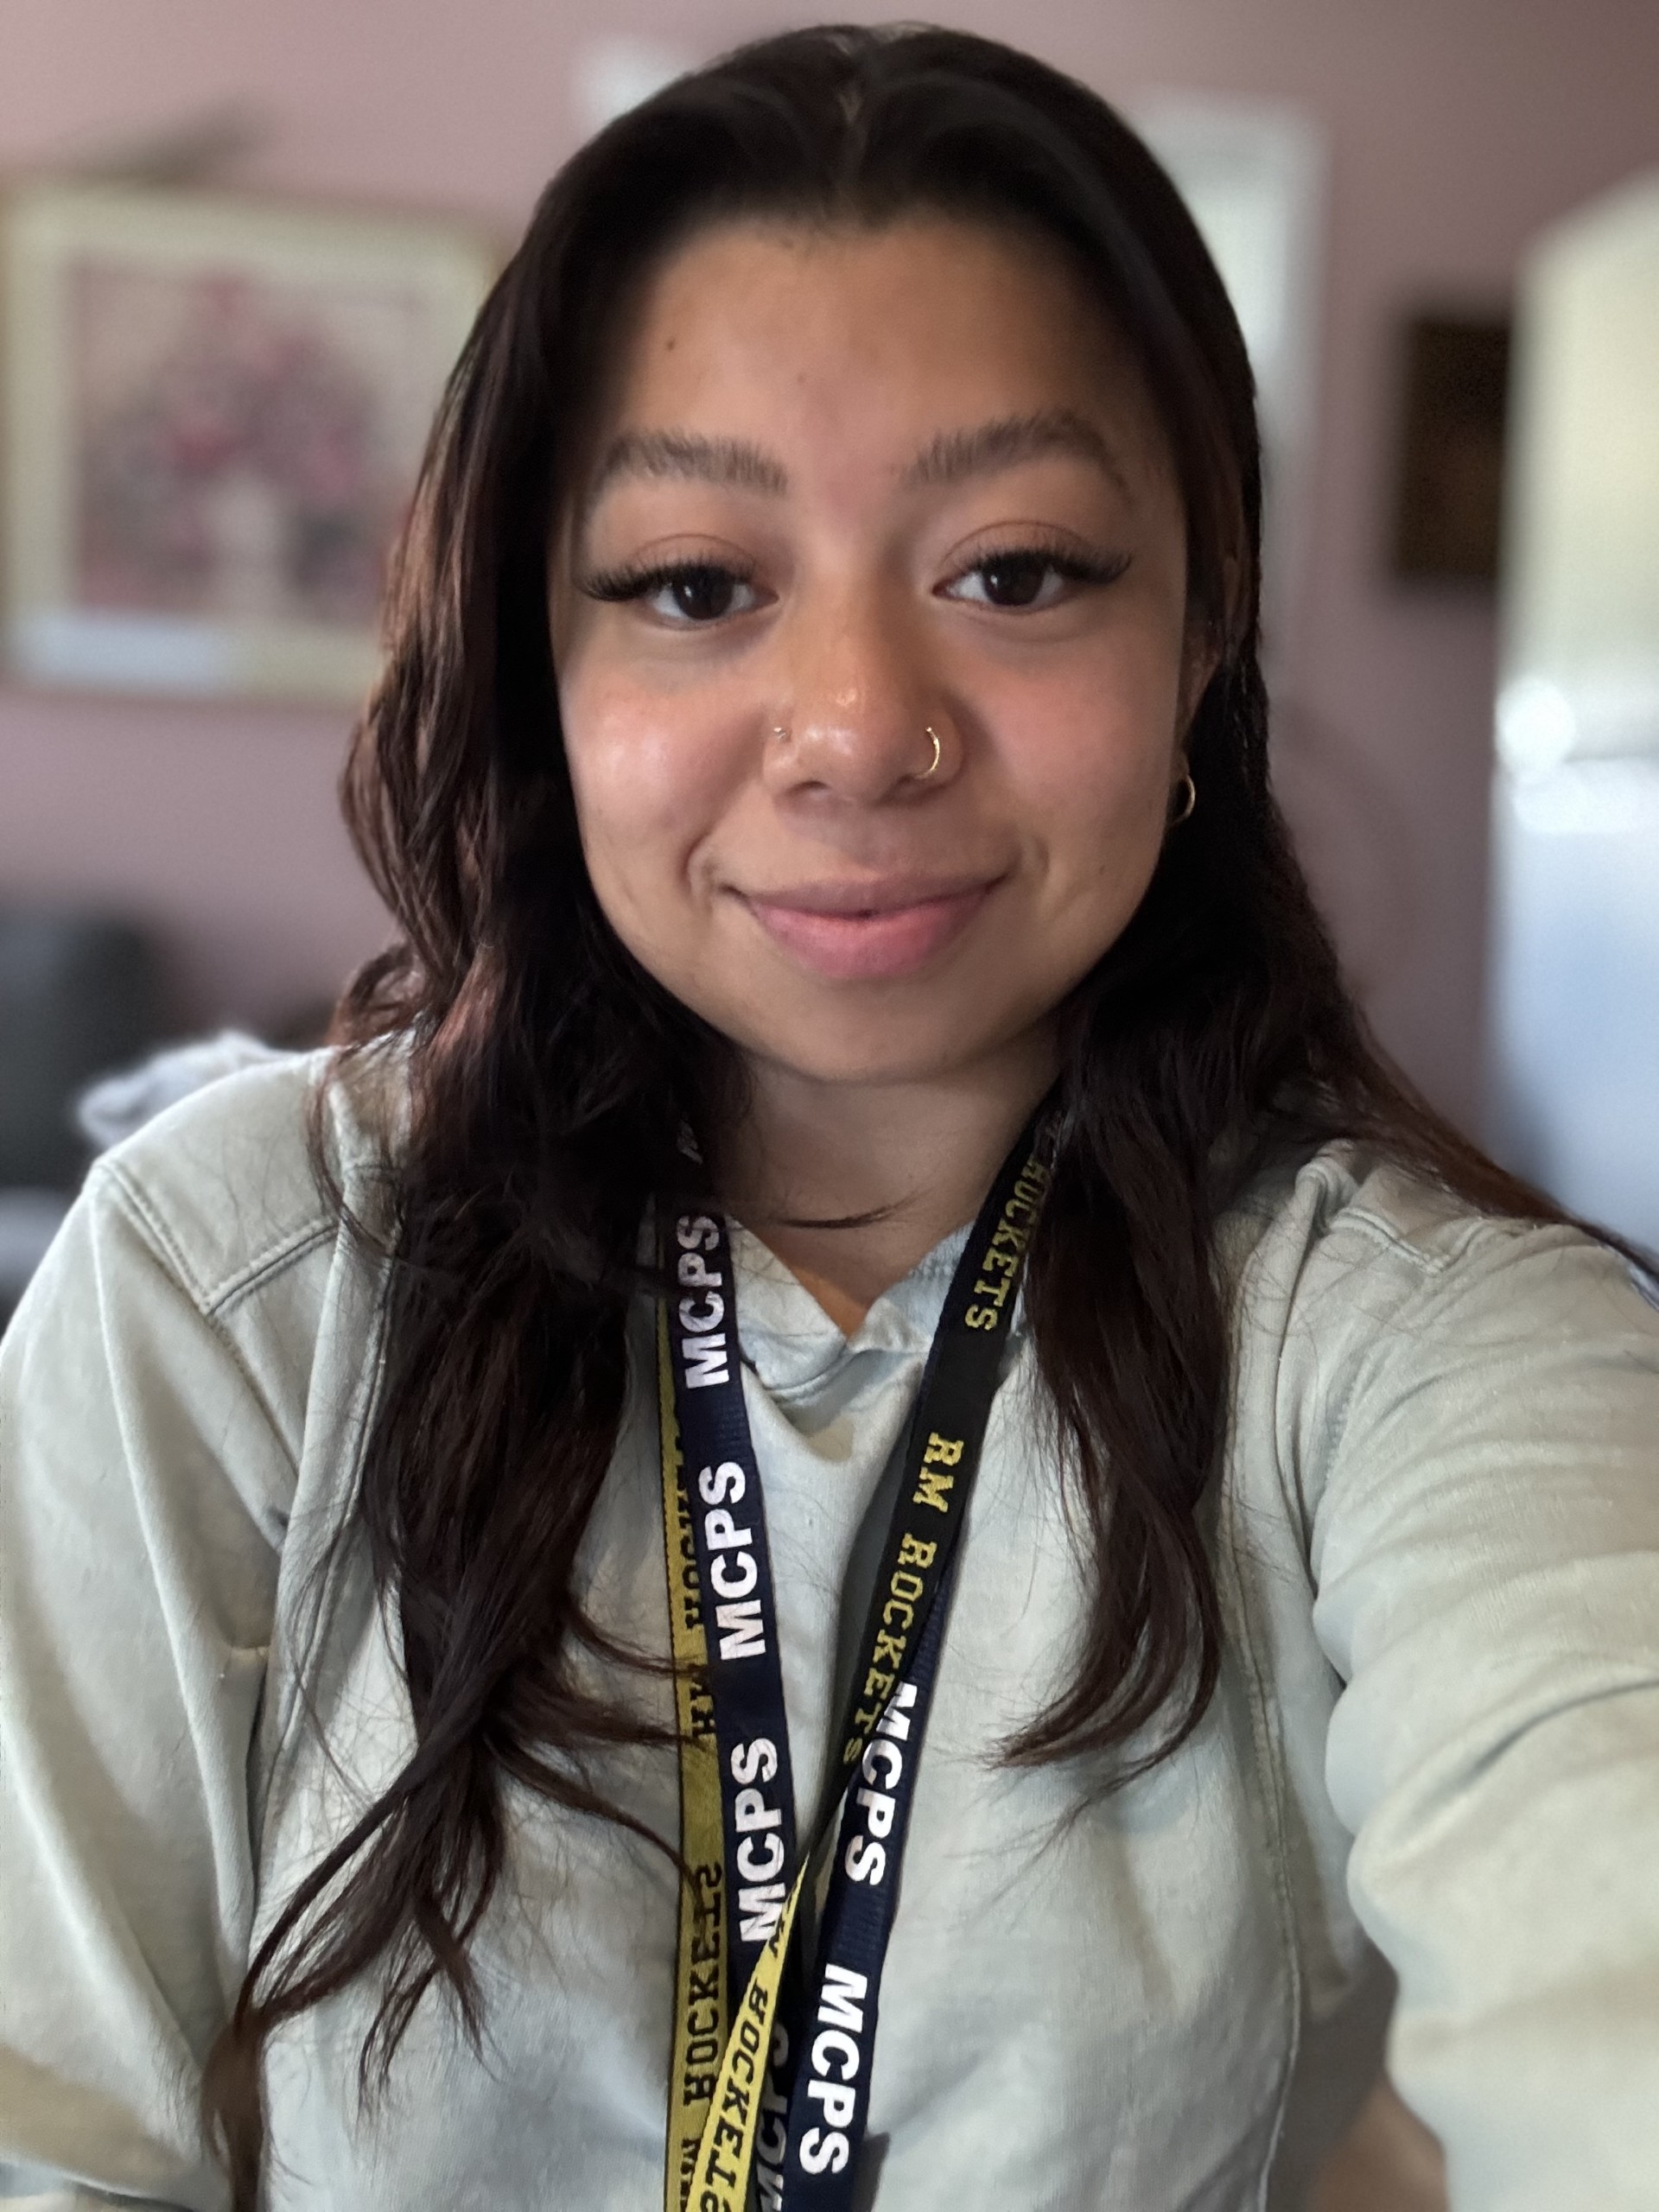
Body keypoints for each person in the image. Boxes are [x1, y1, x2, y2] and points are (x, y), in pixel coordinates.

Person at [3, 26, 1656, 2212]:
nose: (861, 729)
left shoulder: (1427, 1352)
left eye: (1019, 568)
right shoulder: (227, 1289)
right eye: (696, 583)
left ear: (1203, 640)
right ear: (543, 668)